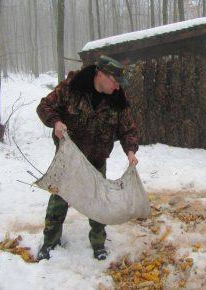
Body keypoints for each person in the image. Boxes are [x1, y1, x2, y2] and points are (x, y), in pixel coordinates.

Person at [36, 55, 139, 261]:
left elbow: (128, 129)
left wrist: (130, 151)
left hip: (96, 160)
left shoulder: (118, 99)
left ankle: (99, 244)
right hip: (70, 160)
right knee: (58, 202)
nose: (118, 87)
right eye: (115, 81)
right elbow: (44, 107)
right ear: (100, 74)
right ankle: (50, 243)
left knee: (98, 203)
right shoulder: (70, 89)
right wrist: (56, 122)